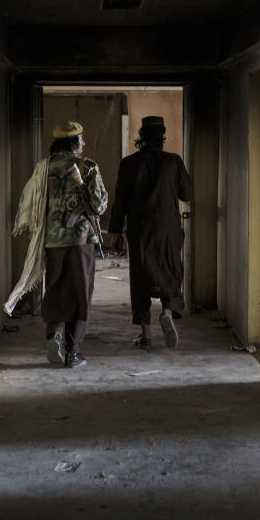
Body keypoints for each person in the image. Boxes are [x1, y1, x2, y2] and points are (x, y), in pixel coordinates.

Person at [4, 121, 108, 368]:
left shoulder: (44, 167)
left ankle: (56, 334)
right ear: (74, 142)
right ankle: (72, 352)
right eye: (81, 139)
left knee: (56, 289)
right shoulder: (86, 166)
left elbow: (32, 201)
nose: (83, 143)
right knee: (81, 294)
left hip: (52, 241)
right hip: (80, 241)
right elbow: (99, 205)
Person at [108, 115, 193, 349]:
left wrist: (115, 231)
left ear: (141, 136)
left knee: (140, 277)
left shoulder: (128, 163)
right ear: (162, 136)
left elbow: (120, 202)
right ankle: (167, 310)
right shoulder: (173, 162)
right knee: (170, 271)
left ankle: (145, 335)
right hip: (168, 229)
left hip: (140, 230)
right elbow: (187, 194)